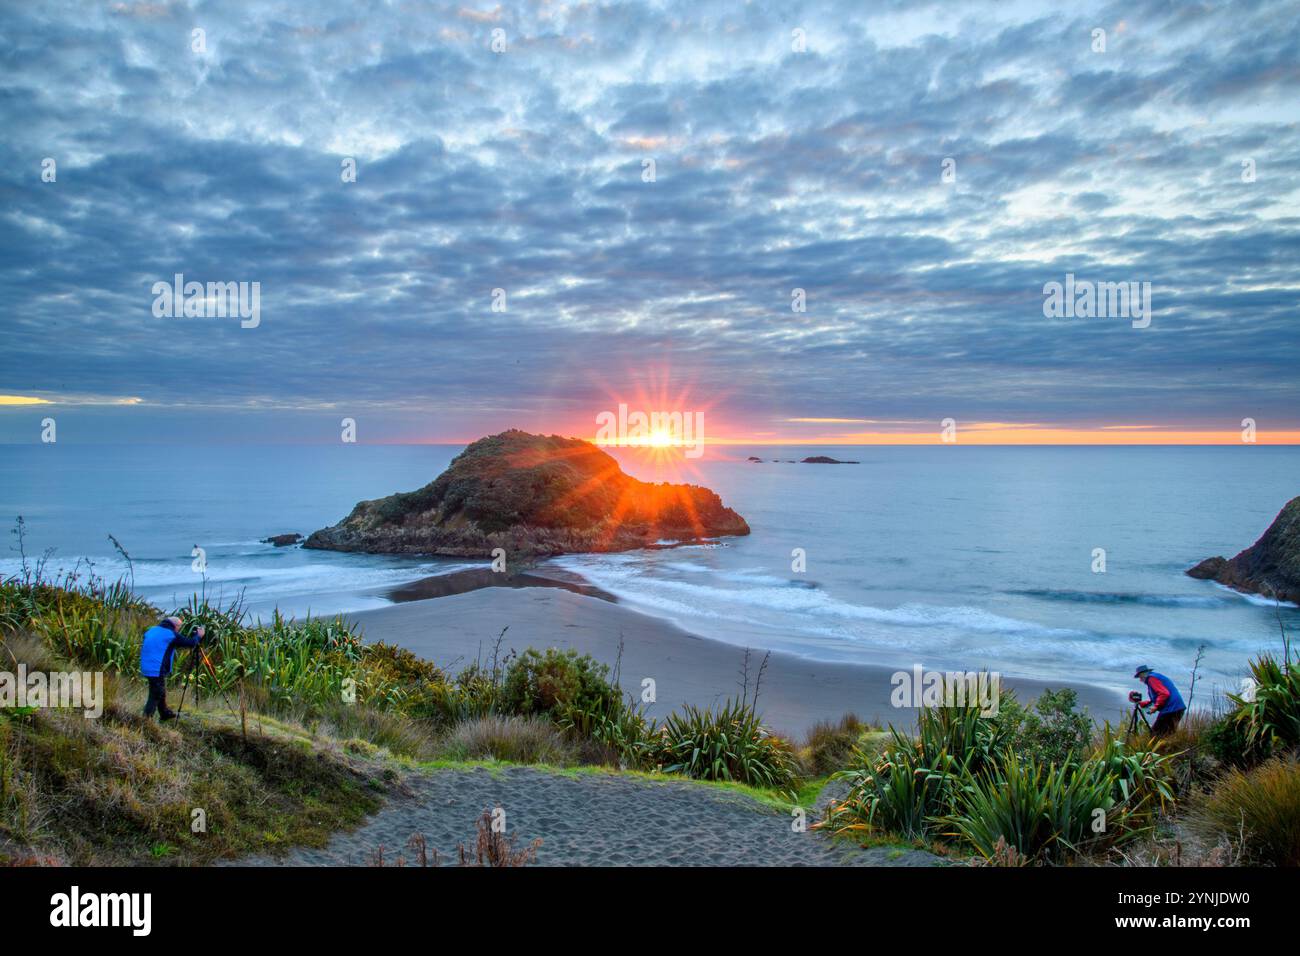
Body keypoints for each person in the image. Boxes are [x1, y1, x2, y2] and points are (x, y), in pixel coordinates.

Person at [140, 616, 204, 720]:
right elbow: (191, 643)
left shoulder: (152, 630)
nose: (179, 629)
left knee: (159, 689)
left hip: (146, 665)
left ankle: (164, 713)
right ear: (176, 626)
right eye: (179, 627)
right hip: (156, 668)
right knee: (156, 693)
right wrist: (198, 636)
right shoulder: (170, 634)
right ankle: (146, 720)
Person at [1133, 664, 1186, 737]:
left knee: (1155, 734)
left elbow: (1164, 694)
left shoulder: (1151, 678)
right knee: (1168, 734)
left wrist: (1155, 707)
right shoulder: (1156, 676)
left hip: (1171, 710)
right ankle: (1169, 748)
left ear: (1143, 674)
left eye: (1140, 677)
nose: (1140, 680)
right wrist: (1143, 703)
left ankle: (1156, 748)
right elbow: (1158, 697)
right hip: (1177, 708)